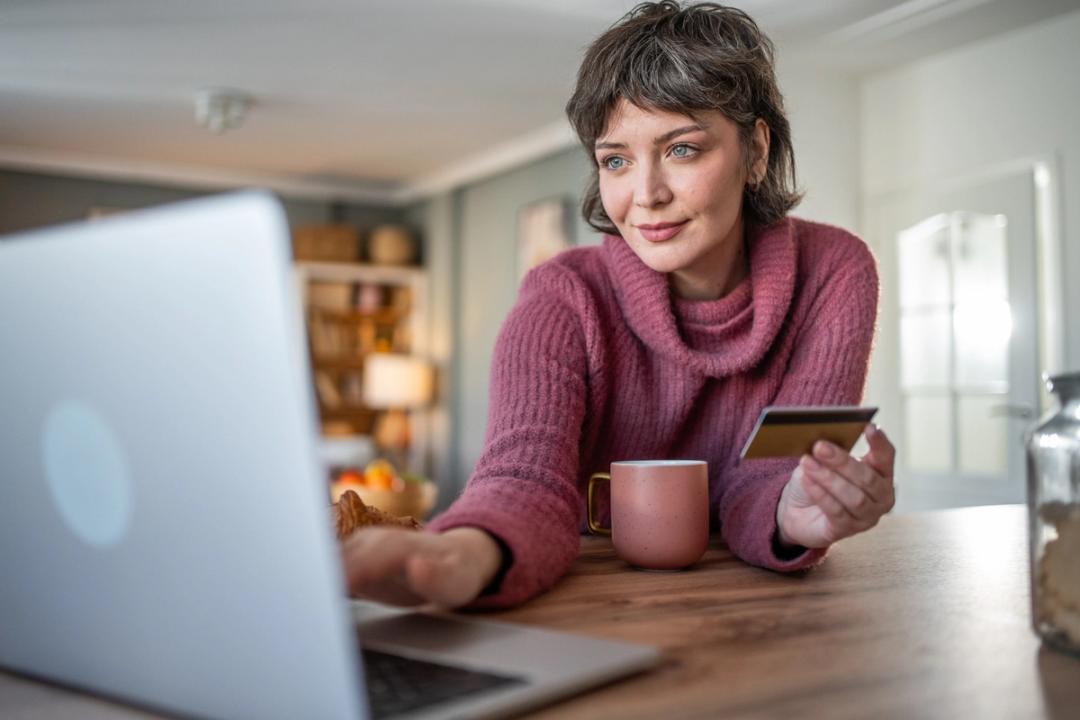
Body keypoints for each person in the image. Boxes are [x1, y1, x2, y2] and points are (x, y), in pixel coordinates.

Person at [341, 1, 895, 610]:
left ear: (756, 151)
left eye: (682, 149)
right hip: (591, 604)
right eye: (616, 160)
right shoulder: (561, 296)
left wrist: (796, 512)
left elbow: (770, 478)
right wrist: (457, 555)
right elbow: (525, 476)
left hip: (757, 614)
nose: (646, 195)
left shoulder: (834, 272)